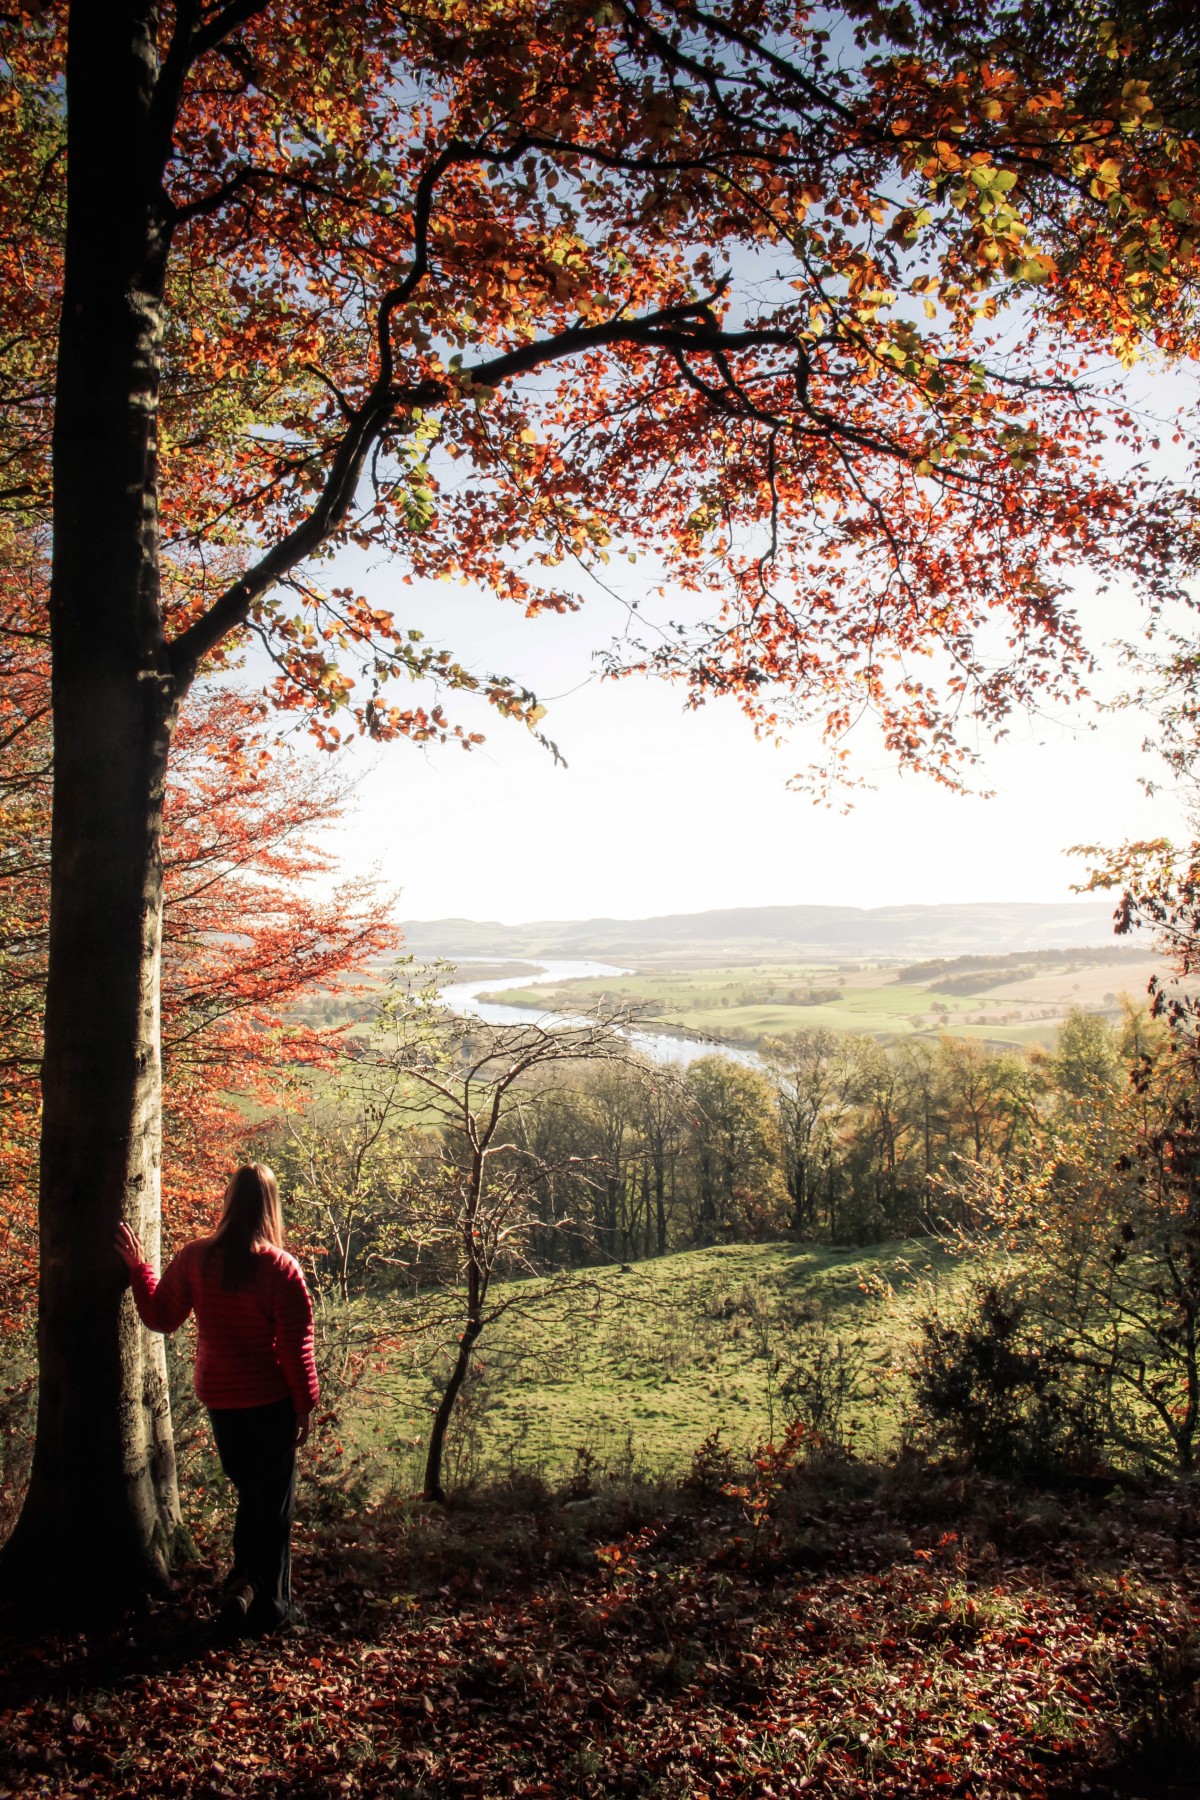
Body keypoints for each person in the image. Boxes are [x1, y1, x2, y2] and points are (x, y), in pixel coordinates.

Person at [114, 1163, 319, 1635]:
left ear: (230, 1202)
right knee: (274, 1507)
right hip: (268, 1402)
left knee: (253, 1496)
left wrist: (139, 1269)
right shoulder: (281, 1268)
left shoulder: (196, 1258)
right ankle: (271, 1606)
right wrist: (304, 1406)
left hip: (221, 1400)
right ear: (270, 1207)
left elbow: (161, 1317)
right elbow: (296, 1349)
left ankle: (243, 1587)